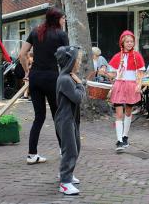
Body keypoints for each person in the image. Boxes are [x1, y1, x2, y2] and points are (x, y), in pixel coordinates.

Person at [19, 7, 69, 164]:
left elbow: (22, 54)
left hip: (35, 78)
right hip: (52, 78)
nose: (64, 20)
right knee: (57, 116)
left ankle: (32, 154)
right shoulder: (61, 34)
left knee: (39, 117)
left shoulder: (35, 31)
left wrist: (27, 71)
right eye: (63, 18)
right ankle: (63, 150)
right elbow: (67, 58)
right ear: (57, 19)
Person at [104, 30, 145, 152]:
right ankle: (119, 141)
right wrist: (106, 72)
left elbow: (141, 72)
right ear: (122, 42)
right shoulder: (117, 56)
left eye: (131, 41)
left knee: (128, 112)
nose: (129, 43)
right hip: (119, 86)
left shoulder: (137, 56)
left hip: (131, 86)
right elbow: (112, 74)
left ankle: (125, 136)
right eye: (127, 41)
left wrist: (139, 85)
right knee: (119, 114)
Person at [54, 46, 85, 195]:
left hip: (70, 119)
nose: (79, 62)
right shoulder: (66, 79)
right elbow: (78, 98)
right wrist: (80, 84)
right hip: (65, 120)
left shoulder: (67, 77)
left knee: (76, 147)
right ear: (70, 61)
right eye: (77, 60)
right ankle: (65, 183)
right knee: (70, 150)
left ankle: (66, 173)